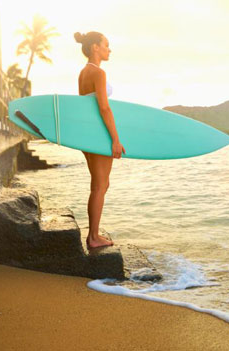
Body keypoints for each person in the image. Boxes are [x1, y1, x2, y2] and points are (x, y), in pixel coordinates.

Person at [74, 31, 126, 249]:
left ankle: (93, 234)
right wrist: (115, 139)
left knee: (99, 185)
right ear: (95, 47)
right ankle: (93, 237)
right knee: (100, 186)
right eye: (106, 45)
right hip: (99, 134)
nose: (109, 49)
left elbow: (85, 107)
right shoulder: (98, 73)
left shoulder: (83, 72)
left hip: (88, 135)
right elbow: (104, 108)